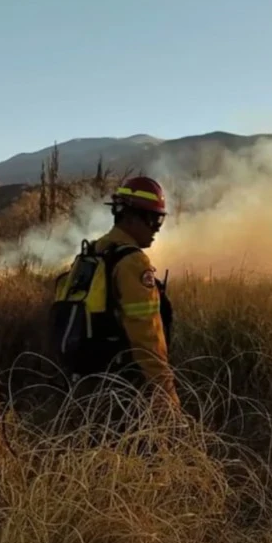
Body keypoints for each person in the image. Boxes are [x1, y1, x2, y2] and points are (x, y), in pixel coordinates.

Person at [93, 175, 180, 411]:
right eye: (152, 220)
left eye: (159, 220)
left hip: (90, 378)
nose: (156, 229)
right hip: (124, 385)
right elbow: (146, 335)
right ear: (130, 217)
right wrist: (166, 393)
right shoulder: (133, 262)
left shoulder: (97, 249)